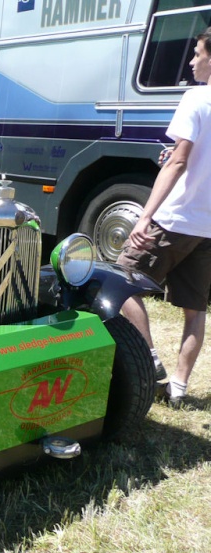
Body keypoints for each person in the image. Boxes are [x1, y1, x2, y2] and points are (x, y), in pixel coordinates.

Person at [116, 26, 211, 408]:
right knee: (195, 310)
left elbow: (181, 161)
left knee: (122, 281)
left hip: (173, 219)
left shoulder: (196, 97)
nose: (191, 60)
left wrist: (144, 217)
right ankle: (179, 389)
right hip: (206, 227)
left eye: (197, 53)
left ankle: (150, 361)